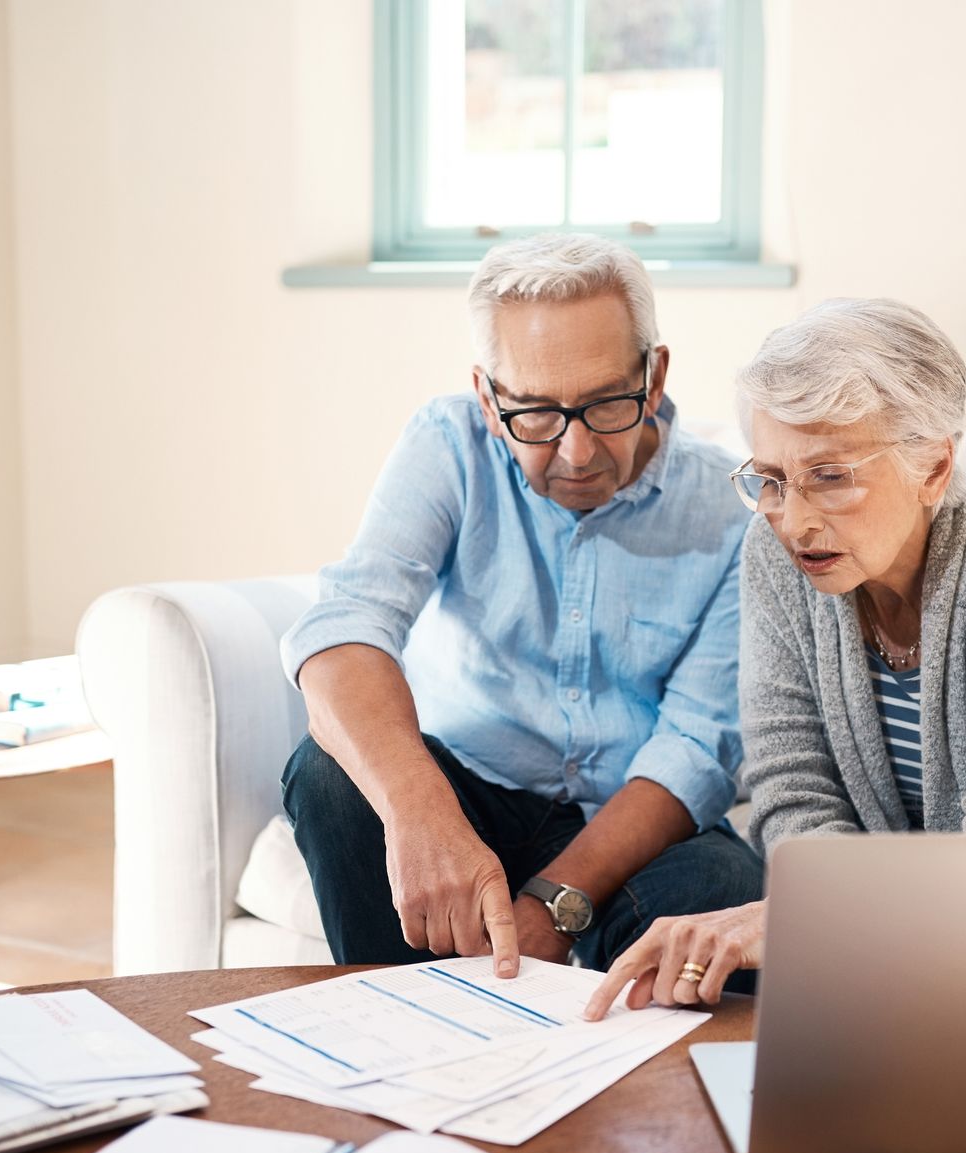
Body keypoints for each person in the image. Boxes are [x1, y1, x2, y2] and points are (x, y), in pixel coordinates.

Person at [584, 298, 966, 1017]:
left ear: (934, 468)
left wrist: (813, 923)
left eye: (831, 476)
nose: (794, 519)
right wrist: (841, 922)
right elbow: (790, 794)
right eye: (772, 480)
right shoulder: (778, 558)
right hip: (916, 923)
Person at [281, 233, 764, 981]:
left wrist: (550, 907)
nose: (575, 454)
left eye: (608, 405)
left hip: (628, 819)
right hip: (469, 785)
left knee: (727, 888)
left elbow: (697, 747)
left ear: (656, 374)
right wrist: (421, 815)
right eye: (534, 413)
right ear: (487, 395)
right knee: (327, 777)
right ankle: (395, 1026)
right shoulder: (448, 443)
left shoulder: (735, 512)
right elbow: (347, 627)